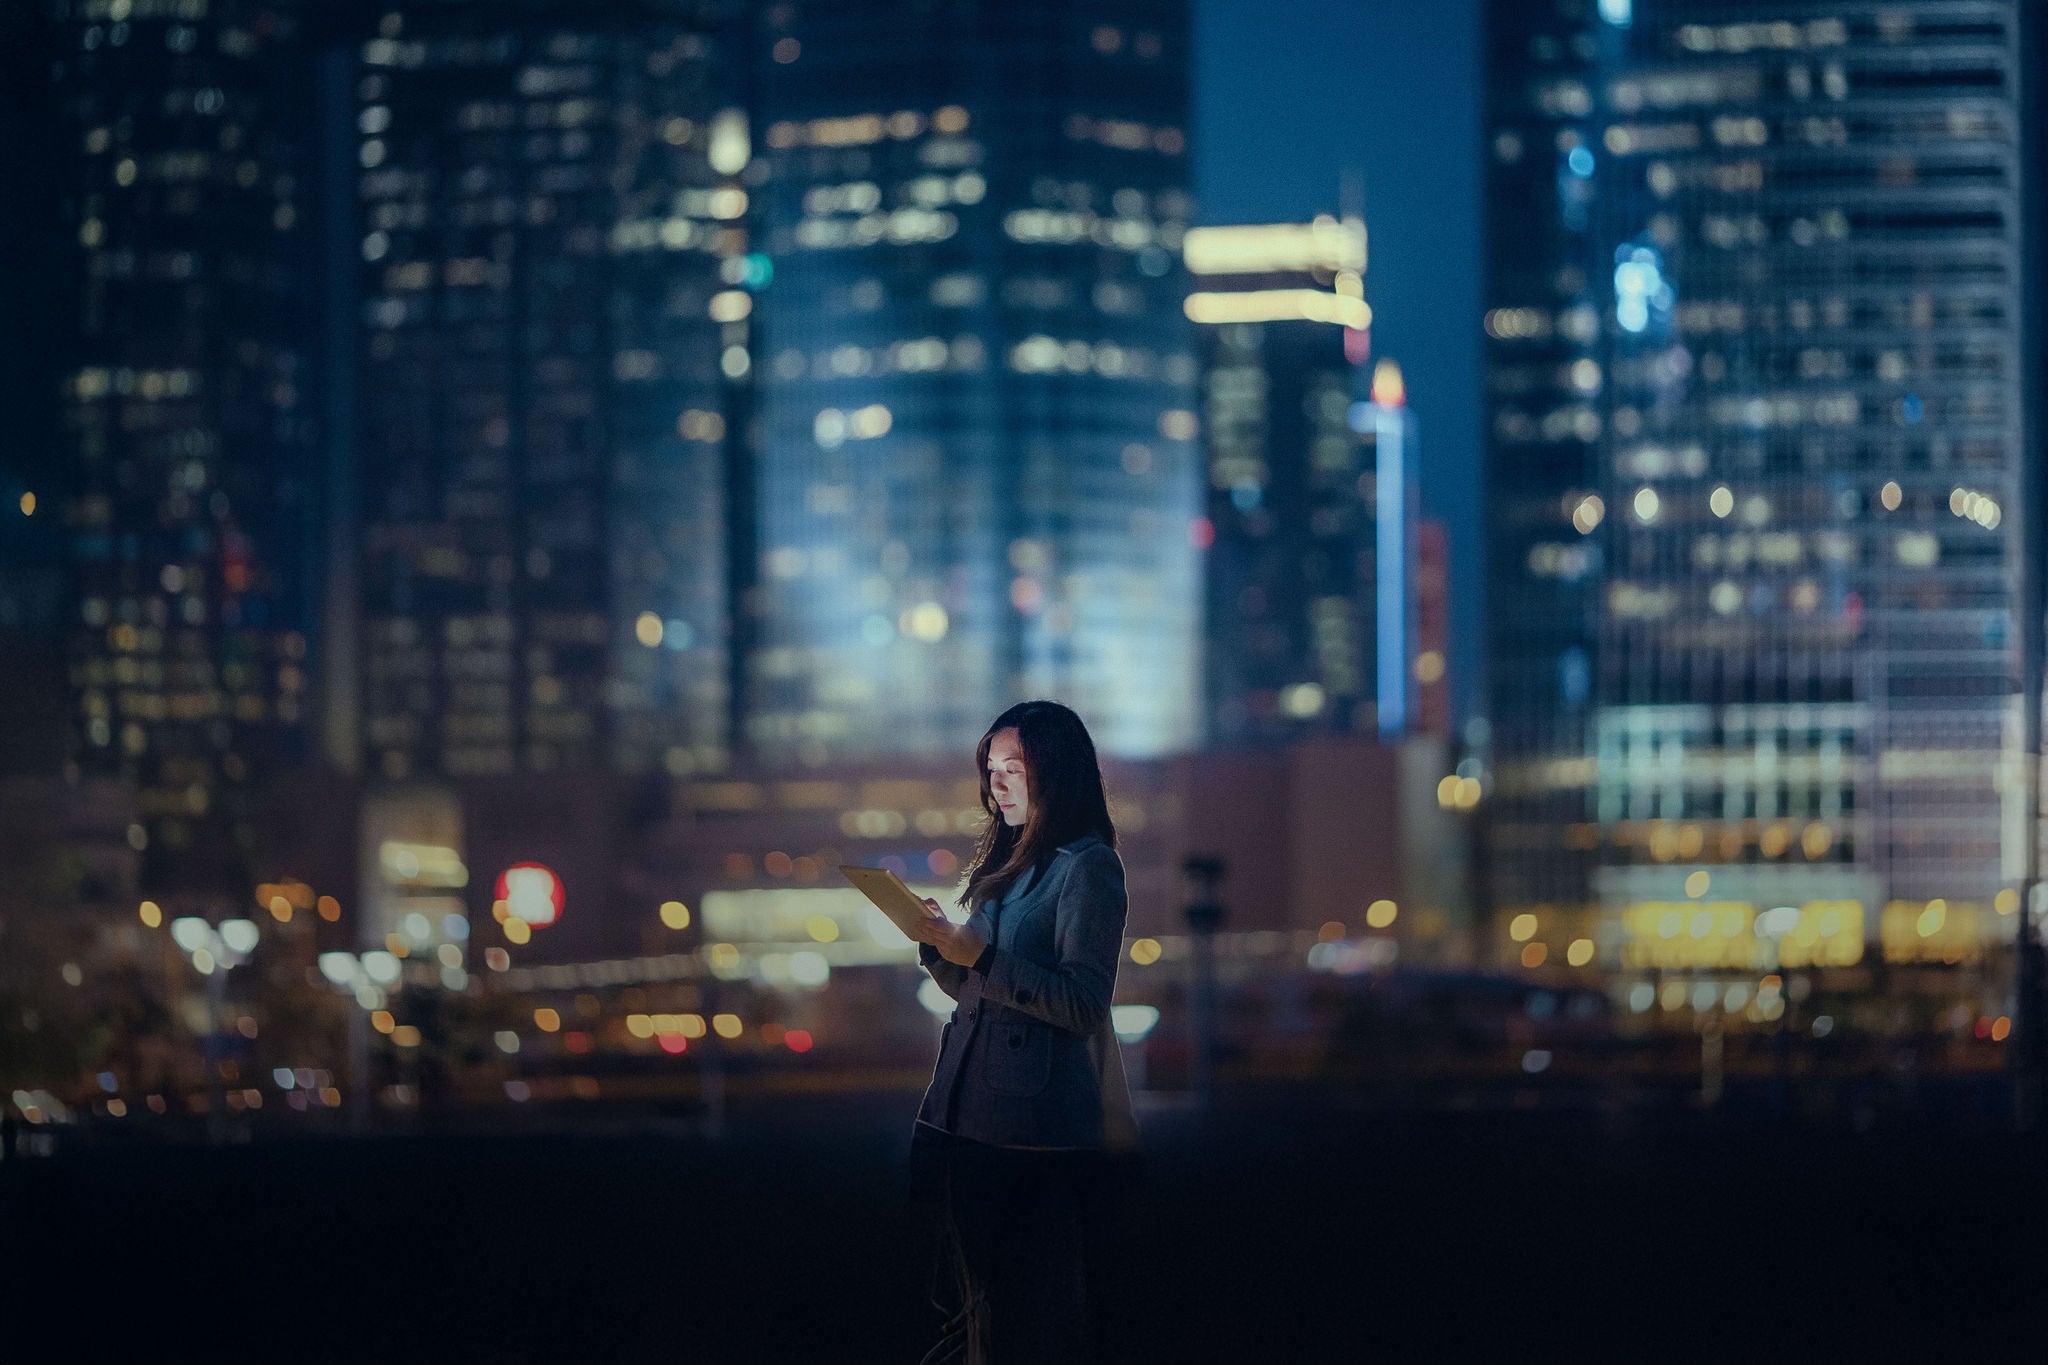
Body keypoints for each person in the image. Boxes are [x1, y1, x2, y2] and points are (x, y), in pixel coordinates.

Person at [906, 699, 1139, 1364]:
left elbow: (1084, 1003)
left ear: (1056, 772)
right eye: (991, 769)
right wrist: (940, 950)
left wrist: (976, 954)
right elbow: (985, 993)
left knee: (1028, 1319)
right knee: (975, 1312)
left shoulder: (1087, 867)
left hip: (1034, 1134)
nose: (996, 784)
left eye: (1013, 768)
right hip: (963, 1117)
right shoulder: (1007, 870)